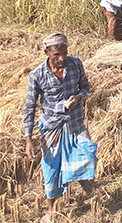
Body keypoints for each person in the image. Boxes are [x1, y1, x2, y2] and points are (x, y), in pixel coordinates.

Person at [23, 33, 97, 223]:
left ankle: (90, 191)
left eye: (64, 53)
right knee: (52, 171)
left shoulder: (76, 64)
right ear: (46, 52)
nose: (61, 58)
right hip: (52, 126)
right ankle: (51, 210)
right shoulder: (37, 75)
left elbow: (85, 87)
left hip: (76, 122)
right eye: (56, 54)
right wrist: (28, 139)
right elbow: (30, 106)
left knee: (87, 156)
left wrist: (78, 98)